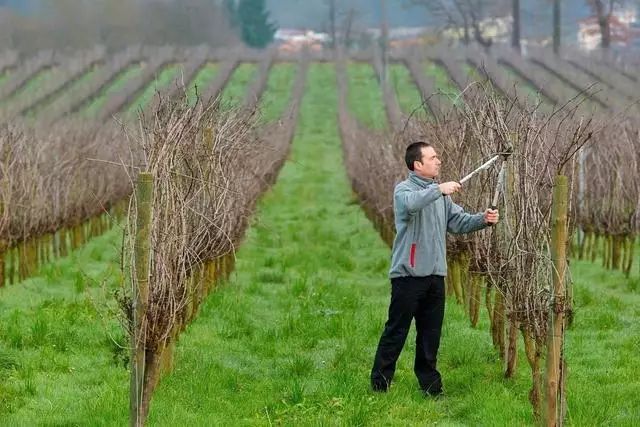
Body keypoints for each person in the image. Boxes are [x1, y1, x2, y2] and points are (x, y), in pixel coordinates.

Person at [370, 141, 499, 397]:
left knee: (430, 335)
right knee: (396, 331)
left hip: (435, 277)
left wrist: (482, 220)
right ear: (417, 164)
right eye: (433, 157)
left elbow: (458, 222)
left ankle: (431, 387)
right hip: (408, 277)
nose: (438, 161)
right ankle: (380, 384)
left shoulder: (441, 197)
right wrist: (439, 189)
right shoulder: (404, 191)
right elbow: (412, 205)